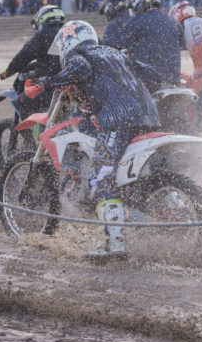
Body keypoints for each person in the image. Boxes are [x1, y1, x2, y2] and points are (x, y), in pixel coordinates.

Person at [28, 20, 161, 261]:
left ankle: (115, 244)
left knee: (100, 178)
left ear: (69, 41)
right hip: (149, 116)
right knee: (132, 174)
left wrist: (49, 81)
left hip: (119, 118)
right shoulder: (113, 52)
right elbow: (153, 74)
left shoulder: (81, 54)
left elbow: (79, 69)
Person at [102, 0, 183, 92]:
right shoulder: (173, 21)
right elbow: (182, 44)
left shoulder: (136, 22)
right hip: (174, 79)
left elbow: (117, 45)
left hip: (150, 83)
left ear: (137, 3)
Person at [0, 5, 65, 117]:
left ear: (42, 20)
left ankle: (36, 135)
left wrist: (9, 71)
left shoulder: (43, 35)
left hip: (51, 84)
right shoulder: (68, 33)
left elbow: (25, 54)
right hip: (72, 84)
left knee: (21, 103)